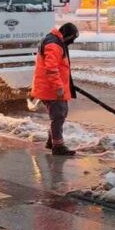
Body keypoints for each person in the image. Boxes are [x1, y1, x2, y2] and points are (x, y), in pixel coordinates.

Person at [31, 23, 79, 156]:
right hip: (51, 89)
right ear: (67, 36)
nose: (72, 42)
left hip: (50, 87)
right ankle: (58, 146)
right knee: (58, 116)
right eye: (72, 39)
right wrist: (58, 87)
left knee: (60, 114)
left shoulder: (55, 40)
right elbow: (51, 68)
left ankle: (51, 141)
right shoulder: (54, 44)